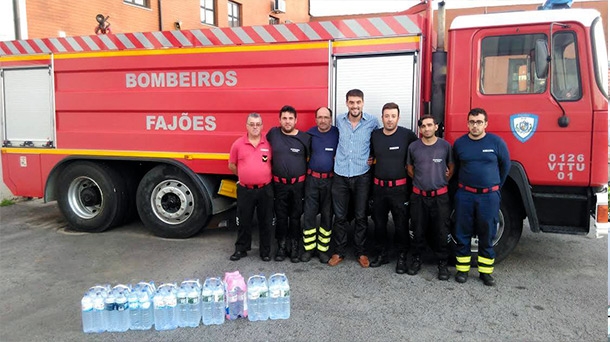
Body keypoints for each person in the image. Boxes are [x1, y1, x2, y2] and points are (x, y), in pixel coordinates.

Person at [453, 108, 510, 286]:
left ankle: (485, 273)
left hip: (488, 197)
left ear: (486, 124)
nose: (475, 125)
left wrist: (494, 187)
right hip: (465, 195)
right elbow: (455, 167)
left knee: (487, 233)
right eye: (472, 122)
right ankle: (462, 270)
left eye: (479, 122)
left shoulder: (496, 142)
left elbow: (505, 166)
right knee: (462, 232)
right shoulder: (460, 144)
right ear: (467, 123)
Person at [328, 89, 379, 268]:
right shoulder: (339, 121)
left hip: (362, 174)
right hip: (341, 174)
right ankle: (339, 252)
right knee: (340, 216)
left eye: (358, 102)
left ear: (363, 103)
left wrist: (374, 156)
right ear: (347, 103)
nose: (355, 106)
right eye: (351, 102)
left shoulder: (372, 122)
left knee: (361, 216)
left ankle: (360, 252)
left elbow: (379, 141)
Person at [368, 102, 417, 273]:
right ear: (382, 118)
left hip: (400, 190)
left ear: (398, 117)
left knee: (401, 225)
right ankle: (382, 254)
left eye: (393, 116)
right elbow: (369, 155)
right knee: (379, 224)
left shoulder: (407, 135)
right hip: (379, 189)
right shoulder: (374, 135)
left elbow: (420, 151)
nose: (389, 120)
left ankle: (402, 257)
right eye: (386, 116)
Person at [406, 115, 454, 280]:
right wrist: (421, 181)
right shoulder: (413, 147)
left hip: (440, 198)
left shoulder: (445, 146)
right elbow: (409, 168)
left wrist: (440, 181)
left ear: (436, 127)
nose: (426, 128)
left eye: (429, 125)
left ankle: (442, 264)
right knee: (417, 230)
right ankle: (417, 259)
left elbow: (451, 167)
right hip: (418, 197)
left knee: (442, 231)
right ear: (419, 129)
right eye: (423, 126)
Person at [266, 105, 311, 263]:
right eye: (284, 118)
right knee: (281, 217)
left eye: (290, 118)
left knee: (295, 217)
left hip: (298, 186)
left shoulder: (305, 138)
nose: (287, 121)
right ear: (279, 120)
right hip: (279, 186)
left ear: (296, 120)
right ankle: (281, 247)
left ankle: (295, 247)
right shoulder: (273, 134)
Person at [228, 113, 273, 262]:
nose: (255, 127)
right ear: (246, 126)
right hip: (245, 189)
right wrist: (245, 176)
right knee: (243, 220)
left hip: (265, 189)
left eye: (258, 124)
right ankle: (241, 249)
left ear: (262, 126)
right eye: (252, 124)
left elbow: (272, 164)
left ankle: (265, 251)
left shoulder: (268, 144)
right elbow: (232, 165)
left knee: (266, 221)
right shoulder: (238, 144)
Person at [301, 107, 339, 263]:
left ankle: (323, 250)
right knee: (309, 215)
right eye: (320, 117)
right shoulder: (309, 135)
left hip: (330, 181)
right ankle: (308, 250)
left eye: (326, 117)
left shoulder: (338, 134)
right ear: (315, 119)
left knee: (327, 215)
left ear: (331, 119)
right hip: (312, 181)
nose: (323, 120)